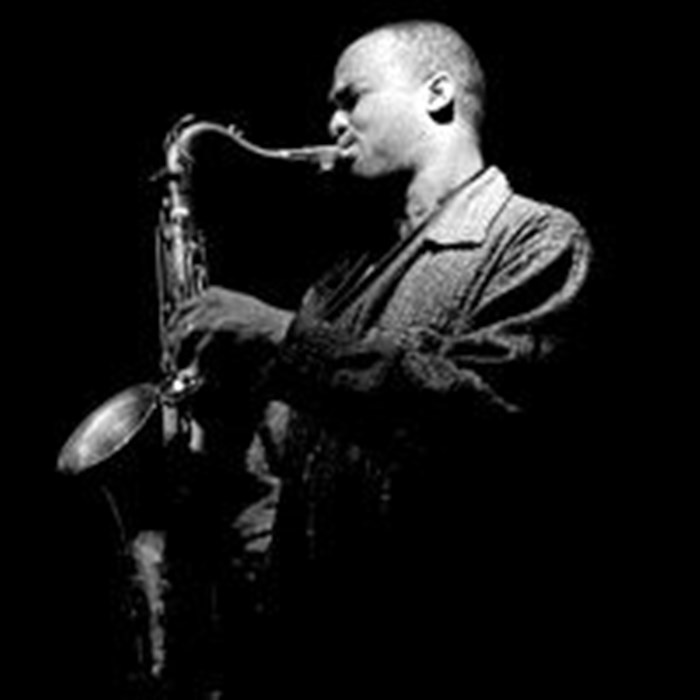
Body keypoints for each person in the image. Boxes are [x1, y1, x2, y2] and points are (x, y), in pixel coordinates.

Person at [169, 19, 593, 674]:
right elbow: (269, 471)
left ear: (438, 94)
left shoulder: (535, 238)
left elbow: (483, 419)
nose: (333, 123)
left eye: (351, 98)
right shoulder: (333, 287)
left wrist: (282, 336)